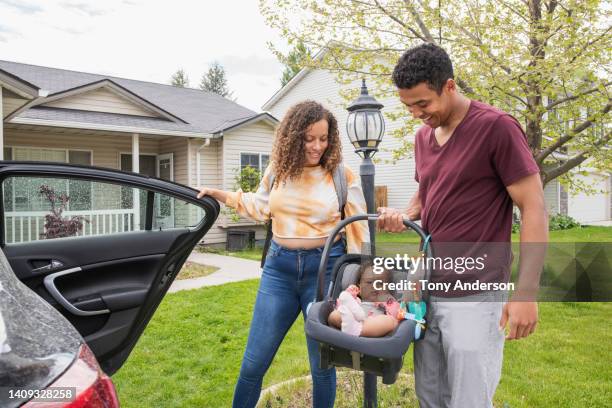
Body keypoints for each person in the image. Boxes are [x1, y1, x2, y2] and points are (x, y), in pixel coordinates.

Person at [377, 43, 548, 408]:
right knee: (431, 395)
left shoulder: (496, 129)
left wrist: (526, 293)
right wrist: (404, 215)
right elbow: (428, 194)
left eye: (423, 104)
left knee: (469, 398)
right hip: (428, 289)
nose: (416, 114)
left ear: (450, 86)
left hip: (476, 291)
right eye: (408, 106)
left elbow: (534, 208)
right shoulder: (423, 137)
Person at [197, 100, 369, 408]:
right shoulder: (279, 171)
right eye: (309, 138)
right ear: (293, 136)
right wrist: (222, 195)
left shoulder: (343, 177)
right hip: (279, 272)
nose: (317, 146)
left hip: (325, 273)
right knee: (253, 364)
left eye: (324, 138)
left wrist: (362, 283)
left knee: (322, 365)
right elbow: (261, 205)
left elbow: (359, 233)